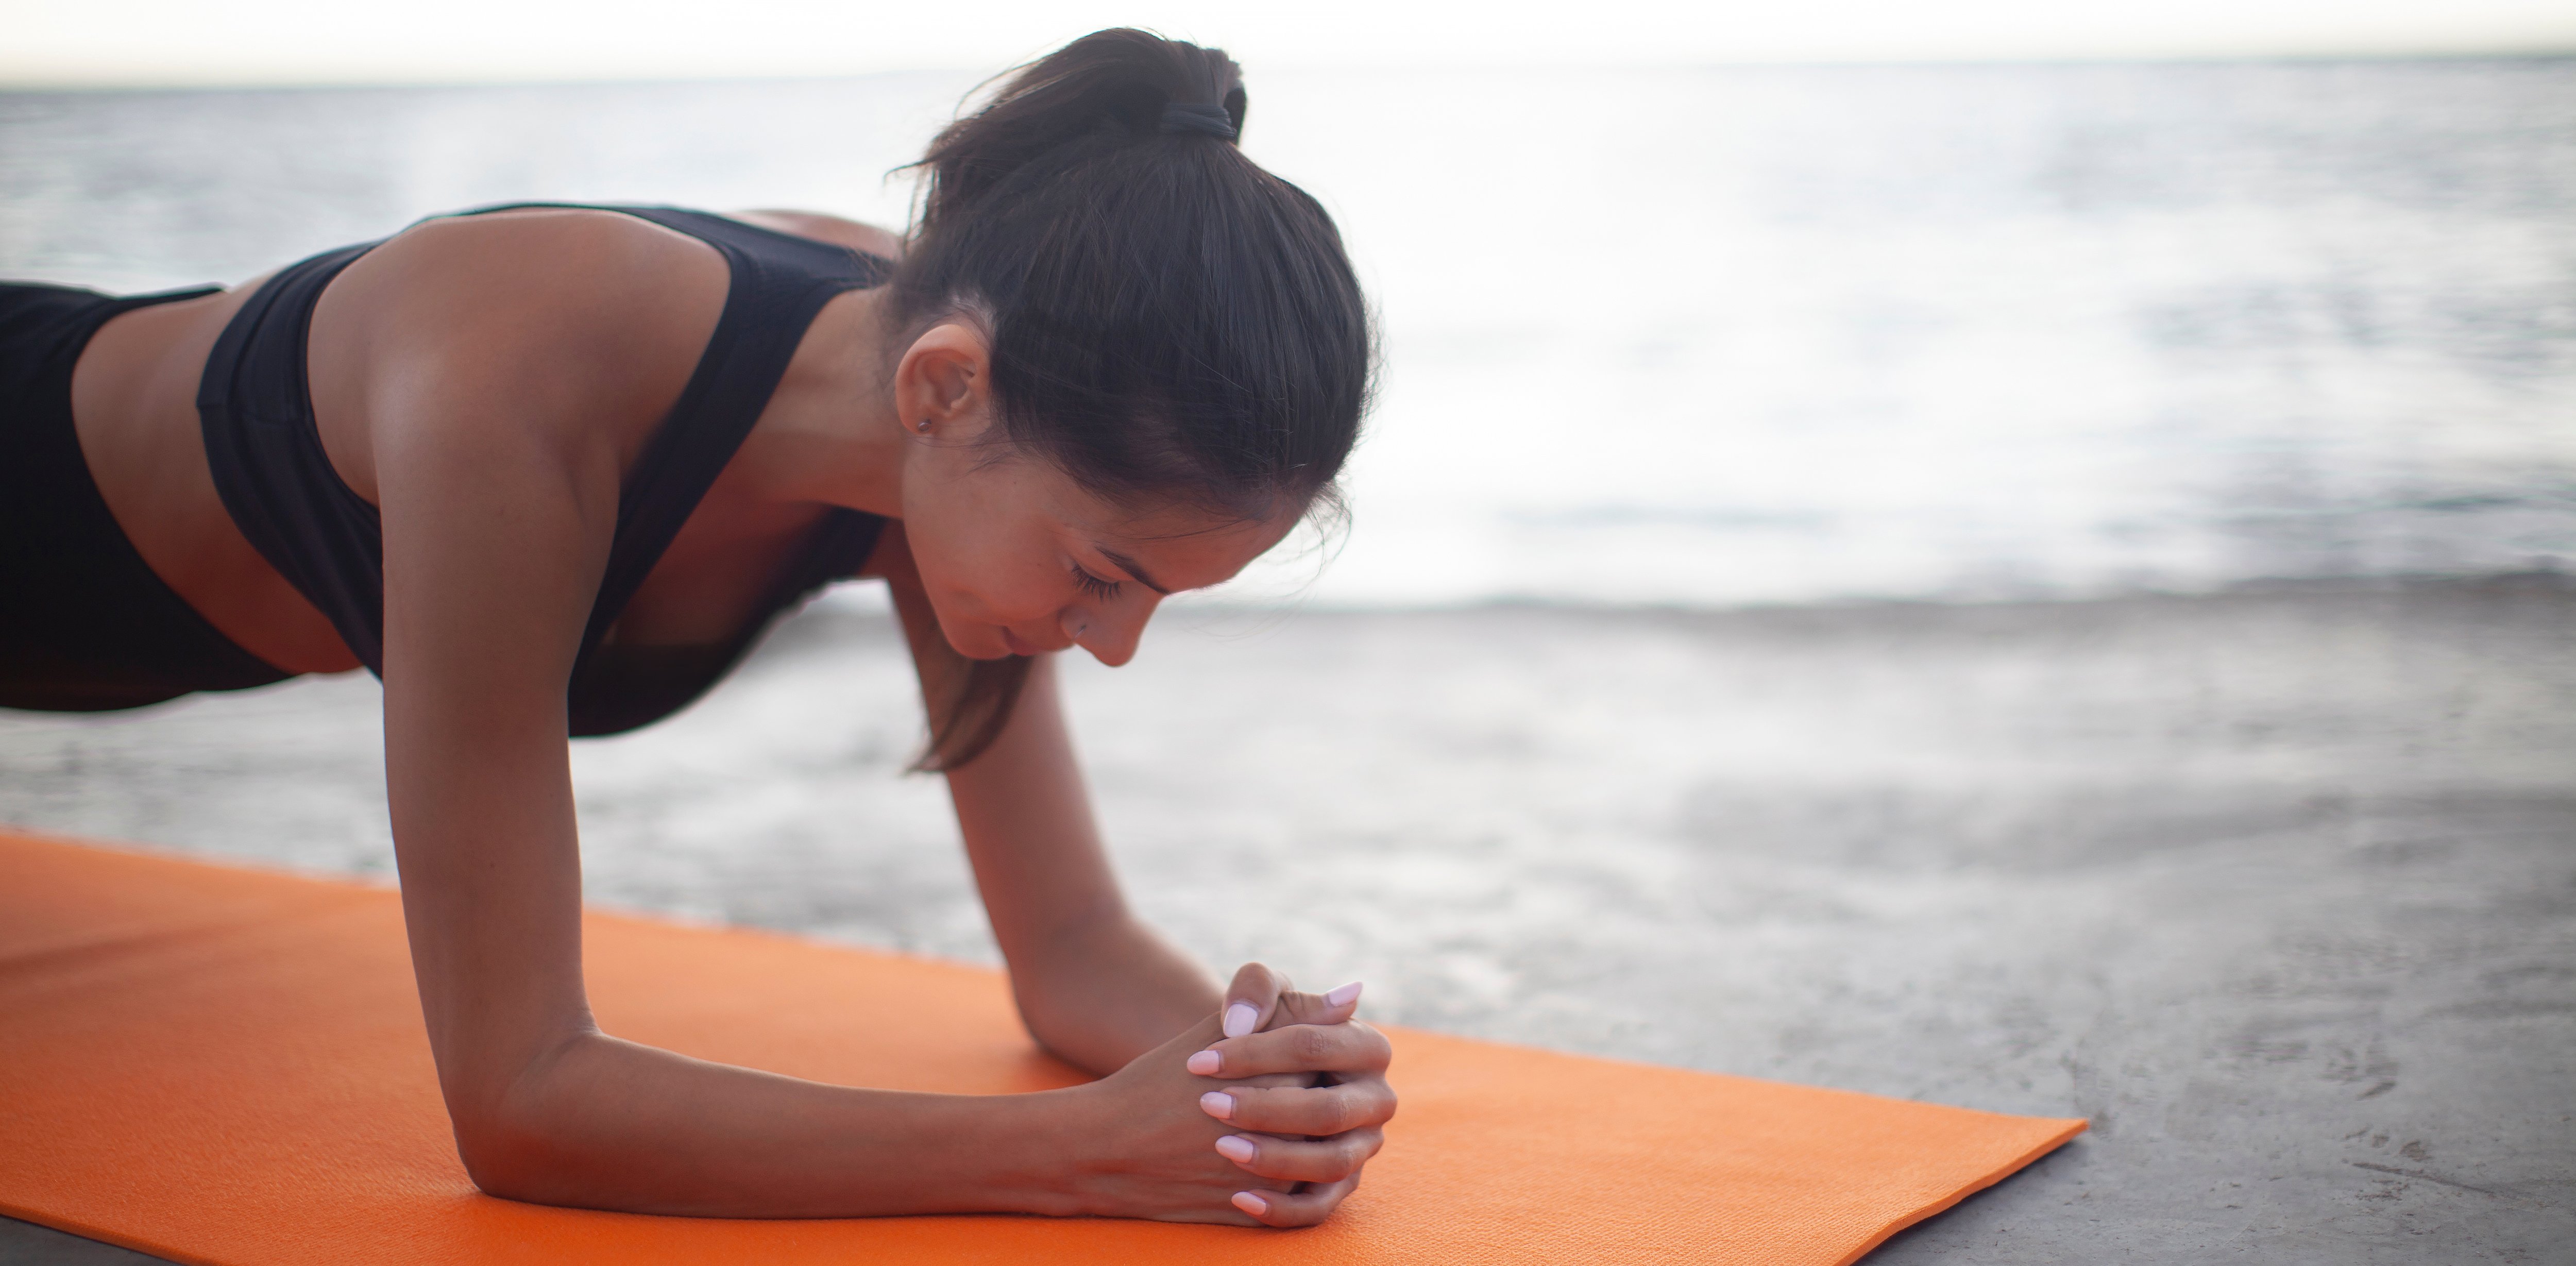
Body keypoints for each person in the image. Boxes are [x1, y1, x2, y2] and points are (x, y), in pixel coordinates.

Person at [0, 29, 1392, 1226]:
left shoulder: (969, 391)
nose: (1112, 641)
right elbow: (521, 1098)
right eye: (1102, 573)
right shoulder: (521, 374)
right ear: (942, 389)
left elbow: (1074, 942)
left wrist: (1251, 1075)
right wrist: (1083, 1154)